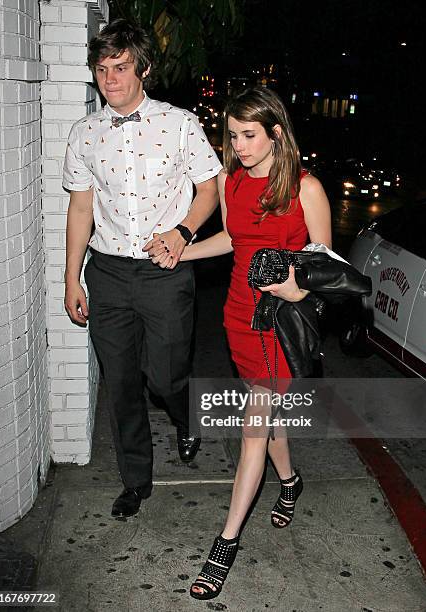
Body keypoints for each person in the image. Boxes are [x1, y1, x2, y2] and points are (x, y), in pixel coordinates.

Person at [63, 19, 222, 519]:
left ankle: (186, 417)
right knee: (123, 382)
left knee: (167, 376)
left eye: (121, 67)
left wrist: (182, 233)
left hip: (165, 270)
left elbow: (208, 189)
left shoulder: (180, 124)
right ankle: (136, 480)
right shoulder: (85, 133)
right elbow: (81, 209)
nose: (110, 78)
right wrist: (72, 276)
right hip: (107, 272)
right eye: (102, 68)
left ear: (144, 69)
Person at [178, 87, 332, 599]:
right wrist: (185, 253)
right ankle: (290, 483)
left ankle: (224, 545)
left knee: (253, 427)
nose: (237, 145)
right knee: (267, 420)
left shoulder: (306, 189)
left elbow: (325, 266)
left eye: (248, 136)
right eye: (233, 135)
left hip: (280, 324)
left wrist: (295, 286)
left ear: (276, 134)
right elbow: (234, 239)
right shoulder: (231, 182)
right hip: (238, 318)